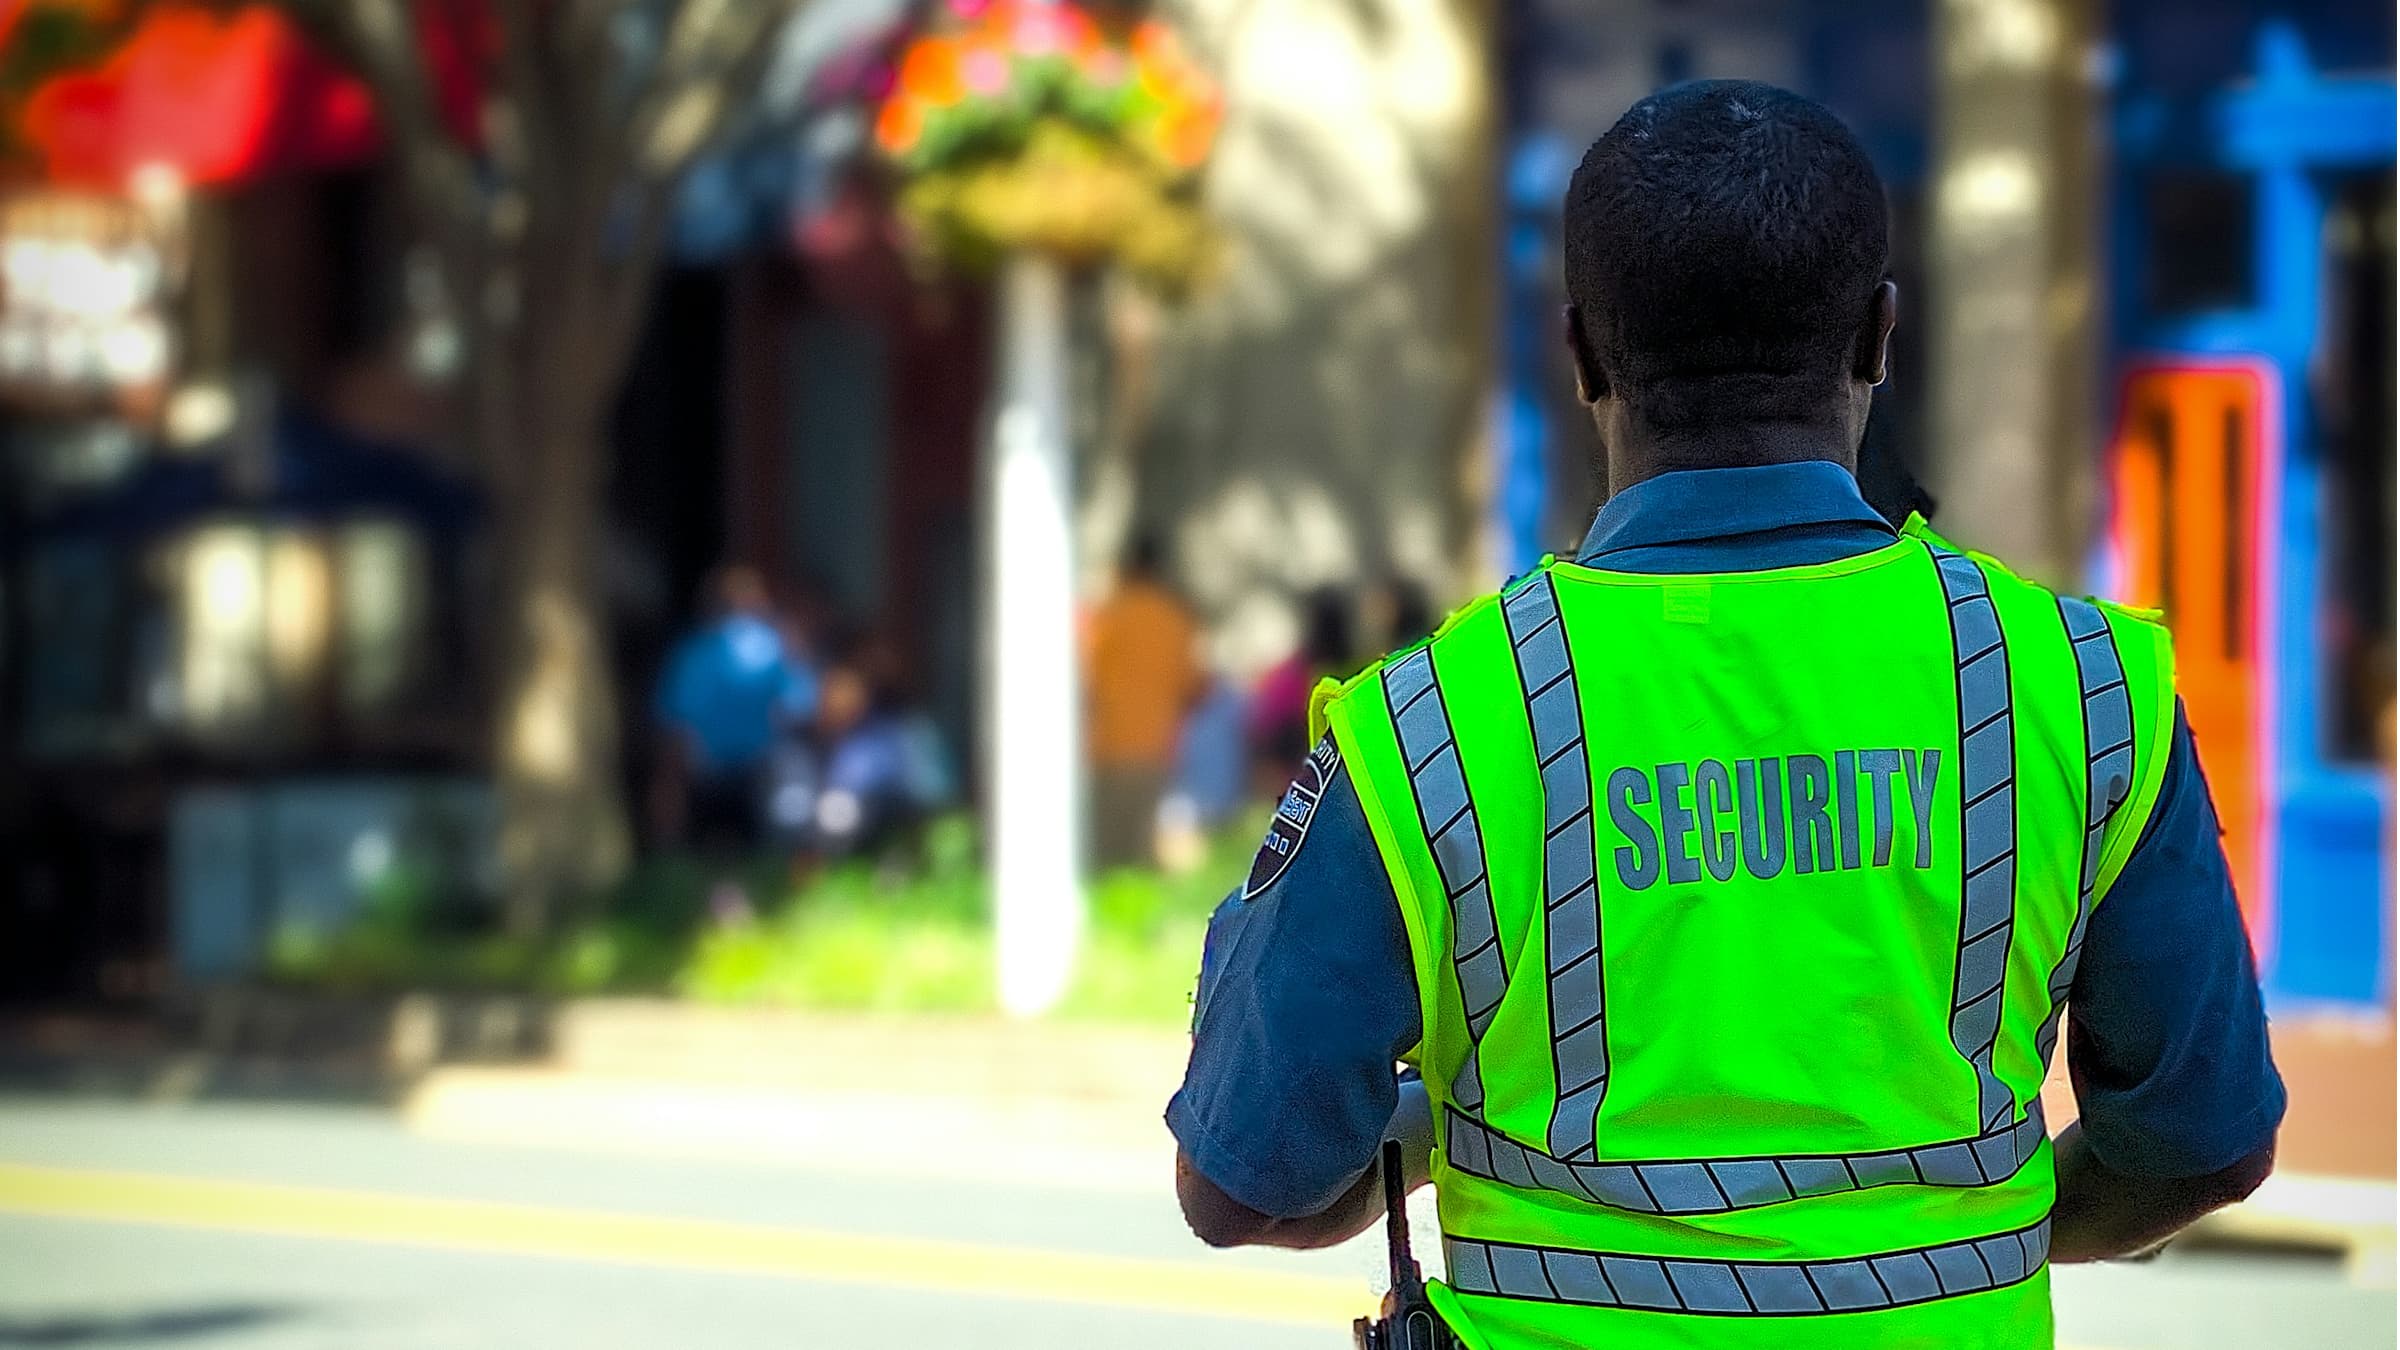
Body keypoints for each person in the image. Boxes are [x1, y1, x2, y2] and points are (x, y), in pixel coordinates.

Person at [1168, 82, 2282, 1350]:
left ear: (1582, 355)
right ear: (1879, 337)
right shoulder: (2082, 691)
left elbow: (1240, 1182)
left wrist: (1426, 1138)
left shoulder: (1432, 726)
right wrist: (1980, 1238)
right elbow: (2202, 1141)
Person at [649, 565, 819, 854]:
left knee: (708, 854)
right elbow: (801, 708)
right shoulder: (778, 646)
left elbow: (674, 721)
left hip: (704, 772)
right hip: (762, 772)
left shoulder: (691, 652)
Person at [1084, 533, 1207, 868]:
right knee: (1142, 860)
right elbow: (1195, 688)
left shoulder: (1108, 615)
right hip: (1156, 751)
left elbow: (1083, 679)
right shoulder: (1175, 618)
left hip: (1105, 751)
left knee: (1104, 858)